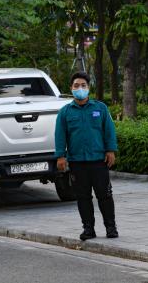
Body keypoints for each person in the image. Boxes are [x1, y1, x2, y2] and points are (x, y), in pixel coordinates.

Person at [54, 71, 118, 241]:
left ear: (89, 88)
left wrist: (110, 150)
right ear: (71, 88)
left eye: (83, 85)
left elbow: (109, 131)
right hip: (77, 162)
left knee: (104, 195)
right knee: (83, 197)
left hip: (99, 161)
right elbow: (60, 136)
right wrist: (60, 156)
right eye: (76, 86)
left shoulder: (100, 108)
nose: (79, 89)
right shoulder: (65, 112)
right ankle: (88, 229)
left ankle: (111, 228)